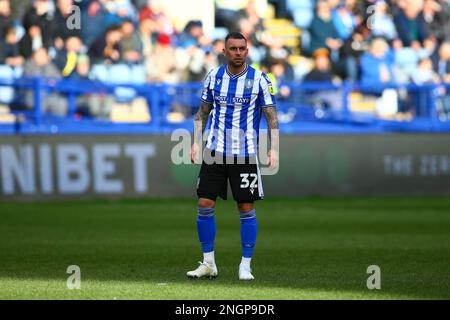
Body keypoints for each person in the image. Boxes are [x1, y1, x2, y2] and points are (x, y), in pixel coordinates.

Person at [187, 32, 279, 281]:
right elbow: (202, 113)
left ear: (246, 51)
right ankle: (208, 263)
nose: (238, 52)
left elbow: (271, 116)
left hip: (246, 154)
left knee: (245, 207)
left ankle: (245, 265)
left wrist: (273, 148)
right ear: (225, 51)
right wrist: (195, 142)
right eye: (233, 48)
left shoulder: (260, 79)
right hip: (215, 152)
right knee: (204, 204)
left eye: (242, 48)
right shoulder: (214, 76)